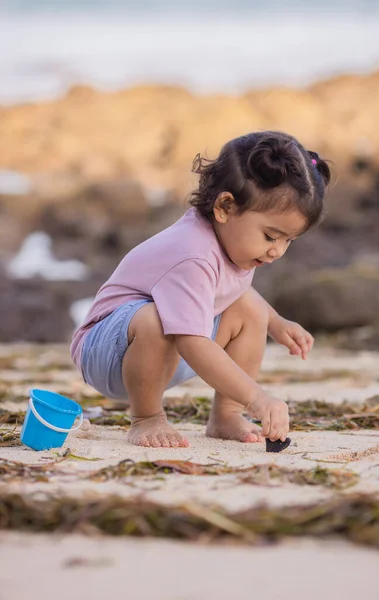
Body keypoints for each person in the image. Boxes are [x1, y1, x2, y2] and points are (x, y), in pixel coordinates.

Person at [70, 131, 331, 448]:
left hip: (160, 357)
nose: (277, 251)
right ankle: (147, 417)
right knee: (156, 318)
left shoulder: (232, 244)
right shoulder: (193, 253)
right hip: (105, 355)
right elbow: (192, 342)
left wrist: (275, 322)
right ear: (225, 206)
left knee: (251, 309)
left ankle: (226, 415)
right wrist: (257, 398)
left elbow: (234, 291)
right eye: (271, 236)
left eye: (288, 240)